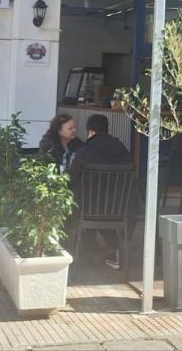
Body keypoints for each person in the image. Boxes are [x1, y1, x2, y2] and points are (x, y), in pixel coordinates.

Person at [67, 114, 131, 270]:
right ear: (107, 130)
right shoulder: (123, 150)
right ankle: (113, 249)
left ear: (90, 132)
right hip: (119, 208)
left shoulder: (84, 152)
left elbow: (71, 179)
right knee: (101, 207)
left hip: (88, 209)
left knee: (77, 203)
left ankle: (82, 253)